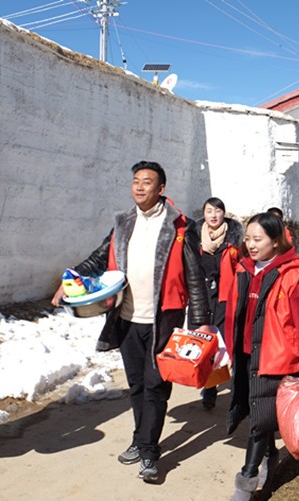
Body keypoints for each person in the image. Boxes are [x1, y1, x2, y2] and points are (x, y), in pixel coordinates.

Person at [51, 161, 211, 483]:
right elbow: (99, 257)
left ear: (161, 189)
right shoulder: (123, 223)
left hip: (162, 320)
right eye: (136, 181)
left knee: (156, 385)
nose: (139, 186)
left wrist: (201, 321)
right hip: (126, 318)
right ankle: (140, 439)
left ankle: (150, 452)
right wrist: (71, 278)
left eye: (147, 182)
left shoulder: (180, 227)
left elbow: (195, 276)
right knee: (137, 384)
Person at [223, 211, 299, 501]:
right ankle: (271, 455)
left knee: (259, 419)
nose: (251, 245)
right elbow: (231, 310)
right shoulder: (244, 268)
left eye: (258, 239)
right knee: (259, 413)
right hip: (245, 354)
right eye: (248, 239)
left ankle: (246, 481)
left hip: (275, 357)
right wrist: (226, 346)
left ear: (276, 241)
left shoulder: (293, 272)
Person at [195, 197, 243, 409]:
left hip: (226, 296)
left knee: (225, 342)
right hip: (202, 297)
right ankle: (209, 388)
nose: (213, 215)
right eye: (209, 211)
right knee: (205, 343)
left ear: (224, 213)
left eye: (217, 211)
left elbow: (242, 266)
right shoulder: (195, 238)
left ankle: (236, 386)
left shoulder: (234, 239)